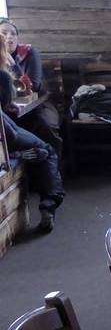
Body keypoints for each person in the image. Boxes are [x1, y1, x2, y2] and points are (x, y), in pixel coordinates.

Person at [0, 70, 64, 233]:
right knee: (47, 151)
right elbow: (10, 135)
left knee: (41, 130)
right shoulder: (3, 74)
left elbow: (31, 83)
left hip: (7, 125)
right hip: (6, 134)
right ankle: (48, 206)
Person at [0, 18, 62, 156]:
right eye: (4, 33)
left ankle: (53, 157)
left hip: (38, 102)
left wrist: (13, 65)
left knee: (43, 124)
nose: (9, 37)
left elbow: (32, 89)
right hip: (11, 108)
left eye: (13, 34)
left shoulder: (29, 53)